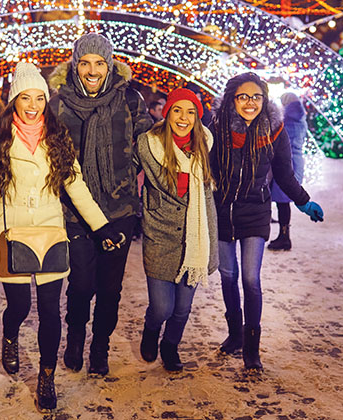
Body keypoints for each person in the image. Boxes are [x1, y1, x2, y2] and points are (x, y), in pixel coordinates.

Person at [0, 62, 123, 412]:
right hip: (13, 234)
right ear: (14, 100)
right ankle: (10, 335)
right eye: (26, 97)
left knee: (51, 310)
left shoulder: (57, 136)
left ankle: (46, 378)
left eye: (40, 97)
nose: (34, 104)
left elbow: (75, 186)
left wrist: (101, 226)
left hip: (51, 234)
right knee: (19, 306)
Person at [48, 33, 153, 376]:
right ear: (74, 64)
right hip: (75, 212)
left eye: (99, 63)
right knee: (80, 284)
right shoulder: (58, 104)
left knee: (109, 288)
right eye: (85, 62)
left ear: (109, 66)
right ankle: (76, 334)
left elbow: (150, 146)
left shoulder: (130, 101)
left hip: (118, 209)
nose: (92, 70)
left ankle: (100, 345)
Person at [210, 72, 323, 370]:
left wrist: (303, 201)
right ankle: (234, 334)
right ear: (232, 99)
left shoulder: (273, 129)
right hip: (221, 211)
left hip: (255, 212)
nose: (250, 103)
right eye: (243, 97)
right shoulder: (217, 127)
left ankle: (251, 346)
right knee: (227, 276)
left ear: (265, 99)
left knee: (250, 278)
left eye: (256, 97)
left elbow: (284, 173)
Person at [135, 88, 218, 371]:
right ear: (168, 112)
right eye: (178, 110)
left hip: (195, 236)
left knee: (182, 308)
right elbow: (123, 171)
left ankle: (170, 346)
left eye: (191, 112)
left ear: (197, 117)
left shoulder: (206, 142)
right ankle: (151, 328)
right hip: (160, 234)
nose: (184, 118)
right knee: (162, 307)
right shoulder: (149, 144)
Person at [268, 92, 307, 251]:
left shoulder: (288, 120)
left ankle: (284, 238)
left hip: (286, 162)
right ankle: (284, 235)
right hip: (296, 161)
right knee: (283, 201)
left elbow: (282, 142)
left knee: (282, 202)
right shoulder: (301, 118)